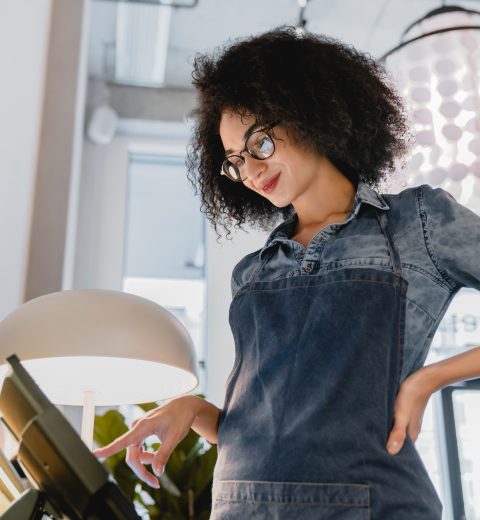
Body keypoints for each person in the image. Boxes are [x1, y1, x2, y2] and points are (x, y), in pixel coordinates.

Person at [94, 27, 480, 519]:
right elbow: (266, 424)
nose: (250, 171)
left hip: (367, 506)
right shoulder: (251, 274)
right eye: (234, 162)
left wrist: (428, 380)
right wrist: (194, 410)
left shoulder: (417, 223)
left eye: (259, 143)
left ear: (309, 112)